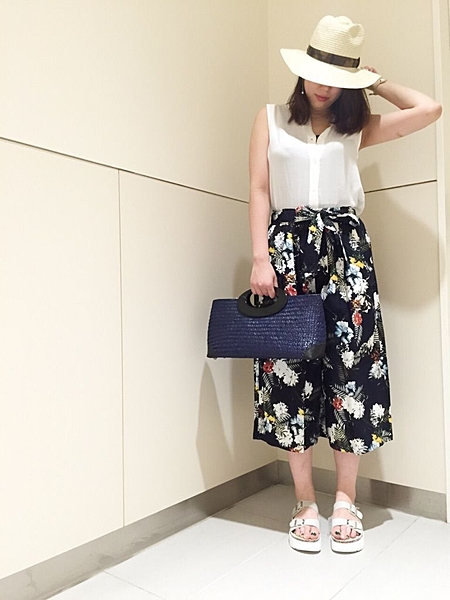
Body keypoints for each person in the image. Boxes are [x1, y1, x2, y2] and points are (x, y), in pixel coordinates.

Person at [249, 15, 442, 554]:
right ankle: (303, 501)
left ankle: (345, 501)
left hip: (346, 253)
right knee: (288, 370)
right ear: (301, 71)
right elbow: (260, 189)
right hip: (286, 251)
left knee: (352, 369)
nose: (323, 86)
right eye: (317, 73)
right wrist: (261, 257)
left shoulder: (357, 128)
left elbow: (429, 109)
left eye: (337, 78)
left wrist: (376, 82)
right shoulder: (269, 119)